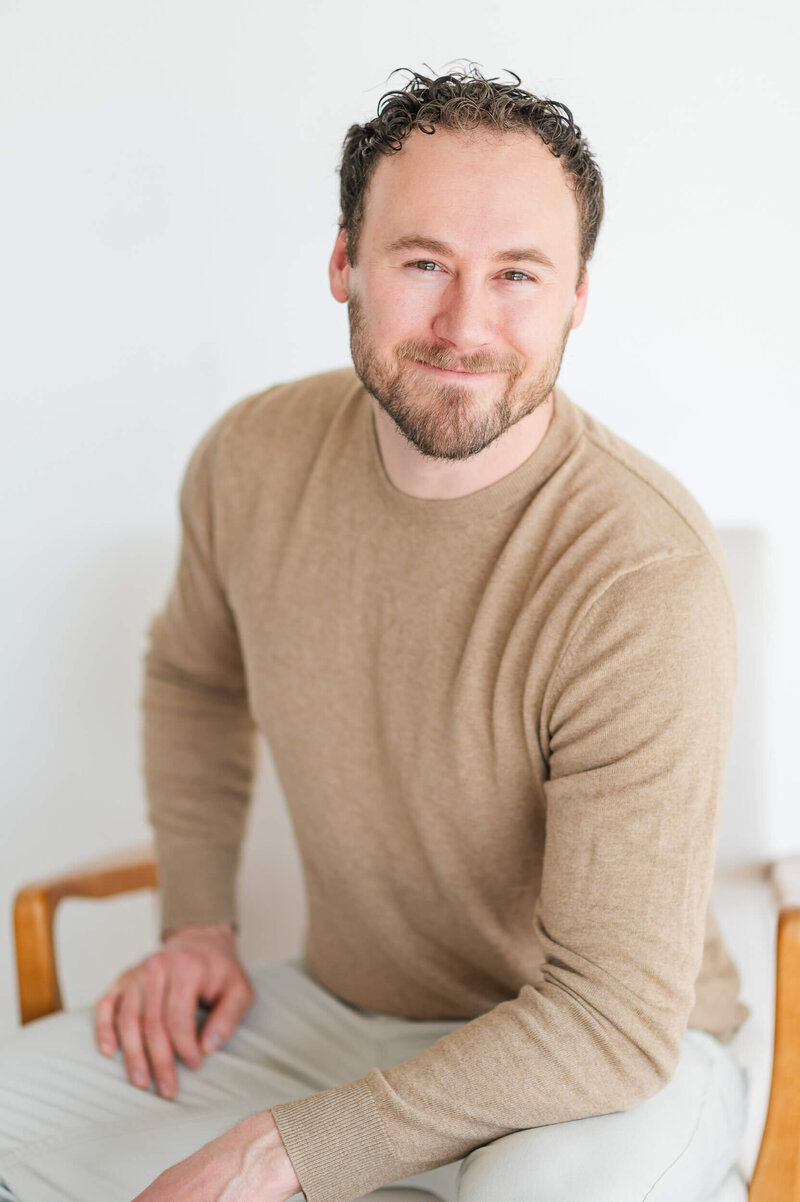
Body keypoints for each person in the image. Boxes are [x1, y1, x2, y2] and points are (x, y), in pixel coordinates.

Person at [0, 66, 751, 1202]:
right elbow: (194, 675)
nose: (462, 325)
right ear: (343, 259)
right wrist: (197, 919)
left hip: (604, 1057)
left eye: (515, 275)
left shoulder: (639, 569)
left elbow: (607, 1015)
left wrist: (282, 1146)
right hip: (340, 1015)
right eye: (421, 263)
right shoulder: (249, 459)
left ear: (576, 297)